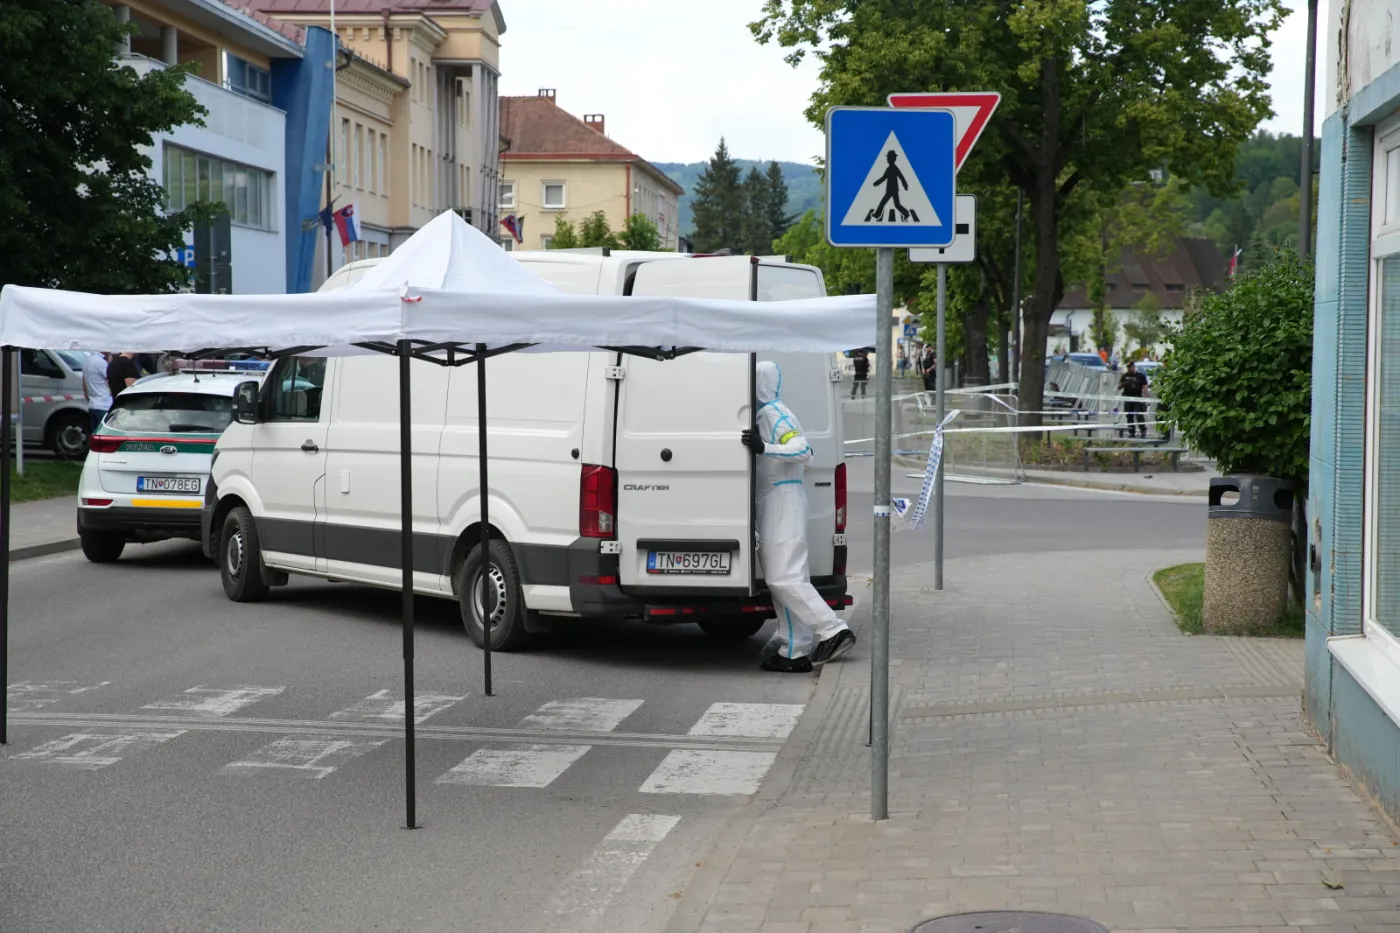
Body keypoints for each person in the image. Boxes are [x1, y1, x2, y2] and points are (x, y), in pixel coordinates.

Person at [741, 362, 856, 673]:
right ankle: (795, 647)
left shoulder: (774, 413)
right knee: (788, 578)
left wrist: (765, 447)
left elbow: (803, 451)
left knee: (784, 578)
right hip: (776, 498)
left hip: (782, 499)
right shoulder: (767, 413)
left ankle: (833, 630)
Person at [1118, 360, 1150, 439]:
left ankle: (1143, 430)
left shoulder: (1140, 376)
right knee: (1129, 415)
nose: (1129, 369)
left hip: (1137, 398)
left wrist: (1146, 399)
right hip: (1127, 397)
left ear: (1134, 367)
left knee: (1138, 414)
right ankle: (1131, 431)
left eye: (1131, 367)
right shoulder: (1125, 376)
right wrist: (1123, 384)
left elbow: (1145, 387)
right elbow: (1119, 387)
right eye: (1128, 367)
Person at [81, 351, 111, 434]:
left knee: (94, 436)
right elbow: (111, 378)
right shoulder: (100, 362)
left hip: (93, 404)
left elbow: (84, 383)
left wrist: (88, 397)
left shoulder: (87, 360)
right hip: (104, 404)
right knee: (104, 436)